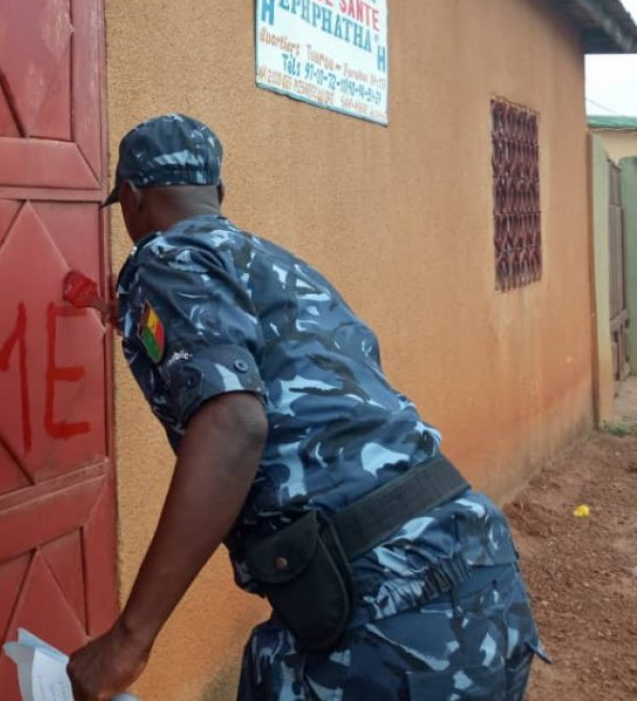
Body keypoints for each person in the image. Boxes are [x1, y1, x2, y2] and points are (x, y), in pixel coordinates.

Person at [67, 114, 546, 701]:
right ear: (219, 194)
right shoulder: (276, 265)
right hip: (478, 573)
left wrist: (129, 640)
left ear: (133, 199)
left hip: (387, 615)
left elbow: (234, 424)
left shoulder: (163, 258)